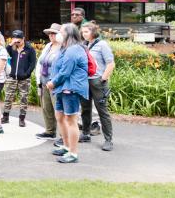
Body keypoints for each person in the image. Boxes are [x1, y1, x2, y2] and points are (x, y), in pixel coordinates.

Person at [46, 23, 90, 164]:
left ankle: (73, 153)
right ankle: (66, 146)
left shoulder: (74, 50)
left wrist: (53, 82)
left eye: (62, 31)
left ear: (68, 34)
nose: (59, 33)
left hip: (70, 89)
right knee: (59, 116)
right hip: (62, 88)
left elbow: (66, 71)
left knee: (71, 120)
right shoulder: (65, 48)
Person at [80, 22, 115, 151]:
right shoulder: (84, 45)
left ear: (93, 32)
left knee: (102, 111)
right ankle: (86, 133)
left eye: (86, 32)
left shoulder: (102, 45)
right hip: (85, 81)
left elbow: (110, 64)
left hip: (97, 81)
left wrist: (102, 79)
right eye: (82, 32)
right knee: (85, 109)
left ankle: (108, 140)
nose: (84, 34)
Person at [1, 29, 37, 127]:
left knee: (24, 98)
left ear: (23, 39)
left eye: (18, 39)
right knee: (8, 97)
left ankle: (22, 118)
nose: (17, 41)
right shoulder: (12, 48)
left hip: (24, 78)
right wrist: (10, 44)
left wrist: (27, 74)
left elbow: (33, 63)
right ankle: (5, 116)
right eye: (15, 39)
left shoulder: (29, 49)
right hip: (12, 77)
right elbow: (3, 52)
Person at [34, 23, 63, 141]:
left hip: (55, 82)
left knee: (58, 109)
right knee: (46, 107)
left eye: (54, 33)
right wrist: (38, 80)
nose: (51, 36)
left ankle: (63, 135)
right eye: (50, 33)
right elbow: (40, 63)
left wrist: (55, 81)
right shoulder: (48, 46)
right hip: (44, 80)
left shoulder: (63, 48)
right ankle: (50, 131)